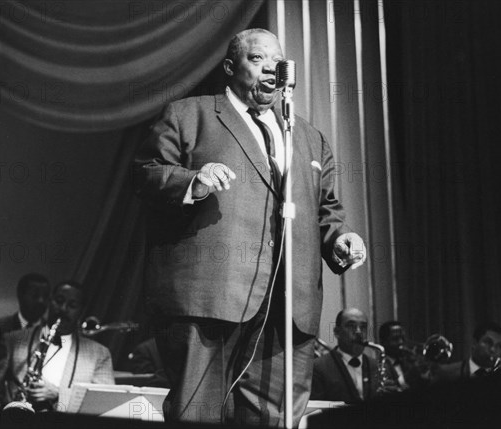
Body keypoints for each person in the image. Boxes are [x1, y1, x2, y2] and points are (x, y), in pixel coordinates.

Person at [135, 28, 366, 426]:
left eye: (276, 61)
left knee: (274, 421)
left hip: (288, 309)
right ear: (230, 67)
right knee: (198, 415)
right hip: (212, 298)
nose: (269, 69)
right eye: (256, 59)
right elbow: (147, 172)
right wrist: (195, 180)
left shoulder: (308, 137)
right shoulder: (190, 114)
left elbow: (326, 208)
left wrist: (341, 238)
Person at [0, 281, 114, 411]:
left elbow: (104, 404)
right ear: (50, 301)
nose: (63, 309)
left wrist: (58, 395)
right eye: (59, 301)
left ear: (81, 311)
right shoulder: (13, 340)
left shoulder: (99, 354)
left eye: (72, 305)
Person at [310, 308, 379, 403]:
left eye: (363, 327)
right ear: (337, 332)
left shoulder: (377, 366)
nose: (358, 332)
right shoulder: (318, 367)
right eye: (351, 326)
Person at [0, 273, 51, 346]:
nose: (41, 301)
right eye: (35, 295)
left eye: (45, 296)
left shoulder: (51, 330)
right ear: (20, 296)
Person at [432, 322, 501, 383]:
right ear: (474, 343)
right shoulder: (446, 373)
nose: (493, 349)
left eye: (499, 346)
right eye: (488, 342)